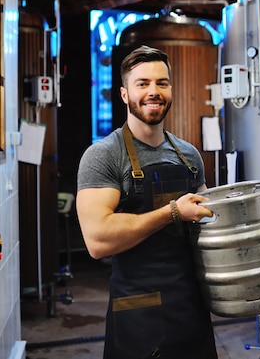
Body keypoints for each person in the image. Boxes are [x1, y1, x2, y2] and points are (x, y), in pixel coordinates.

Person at [76, 45, 217, 359]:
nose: (154, 91)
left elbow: (206, 228)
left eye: (161, 83)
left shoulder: (189, 155)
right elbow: (97, 240)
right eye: (143, 84)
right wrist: (173, 212)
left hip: (190, 308)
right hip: (138, 313)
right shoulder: (104, 155)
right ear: (125, 94)